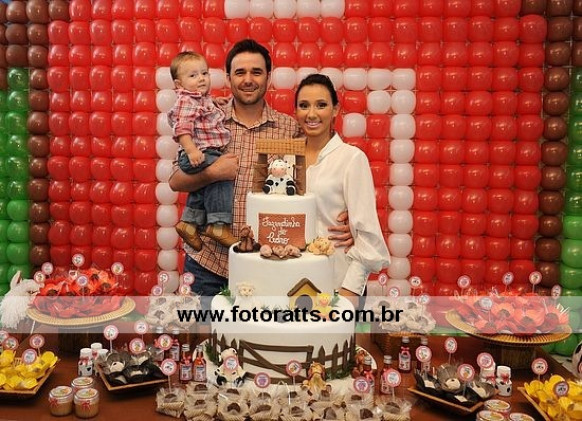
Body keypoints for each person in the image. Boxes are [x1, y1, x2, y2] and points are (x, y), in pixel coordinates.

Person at [169, 39, 353, 298]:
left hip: (266, 266)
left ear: (268, 76)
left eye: (256, 72)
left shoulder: (290, 129)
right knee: (205, 326)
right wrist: (214, 172)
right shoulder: (207, 118)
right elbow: (175, 180)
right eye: (240, 72)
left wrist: (344, 220)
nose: (248, 80)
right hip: (208, 263)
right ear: (228, 77)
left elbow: (319, 173)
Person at [296, 73, 391, 297]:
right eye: (304, 105)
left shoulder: (351, 158)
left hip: (339, 279)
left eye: (321, 105)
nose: (311, 114)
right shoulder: (286, 159)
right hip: (294, 282)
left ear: (335, 110)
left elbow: (367, 232)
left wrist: (351, 290)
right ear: (296, 112)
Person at [167, 51, 237, 251]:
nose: (201, 78)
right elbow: (183, 128)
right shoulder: (186, 101)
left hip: (203, 151)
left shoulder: (199, 99)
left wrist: (215, 102)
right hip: (198, 152)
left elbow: (202, 113)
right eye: (193, 75)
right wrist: (192, 150)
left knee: (203, 185)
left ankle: (189, 223)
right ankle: (218, 224)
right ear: (179, 84)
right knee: (222, 176)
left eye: (204, 73)